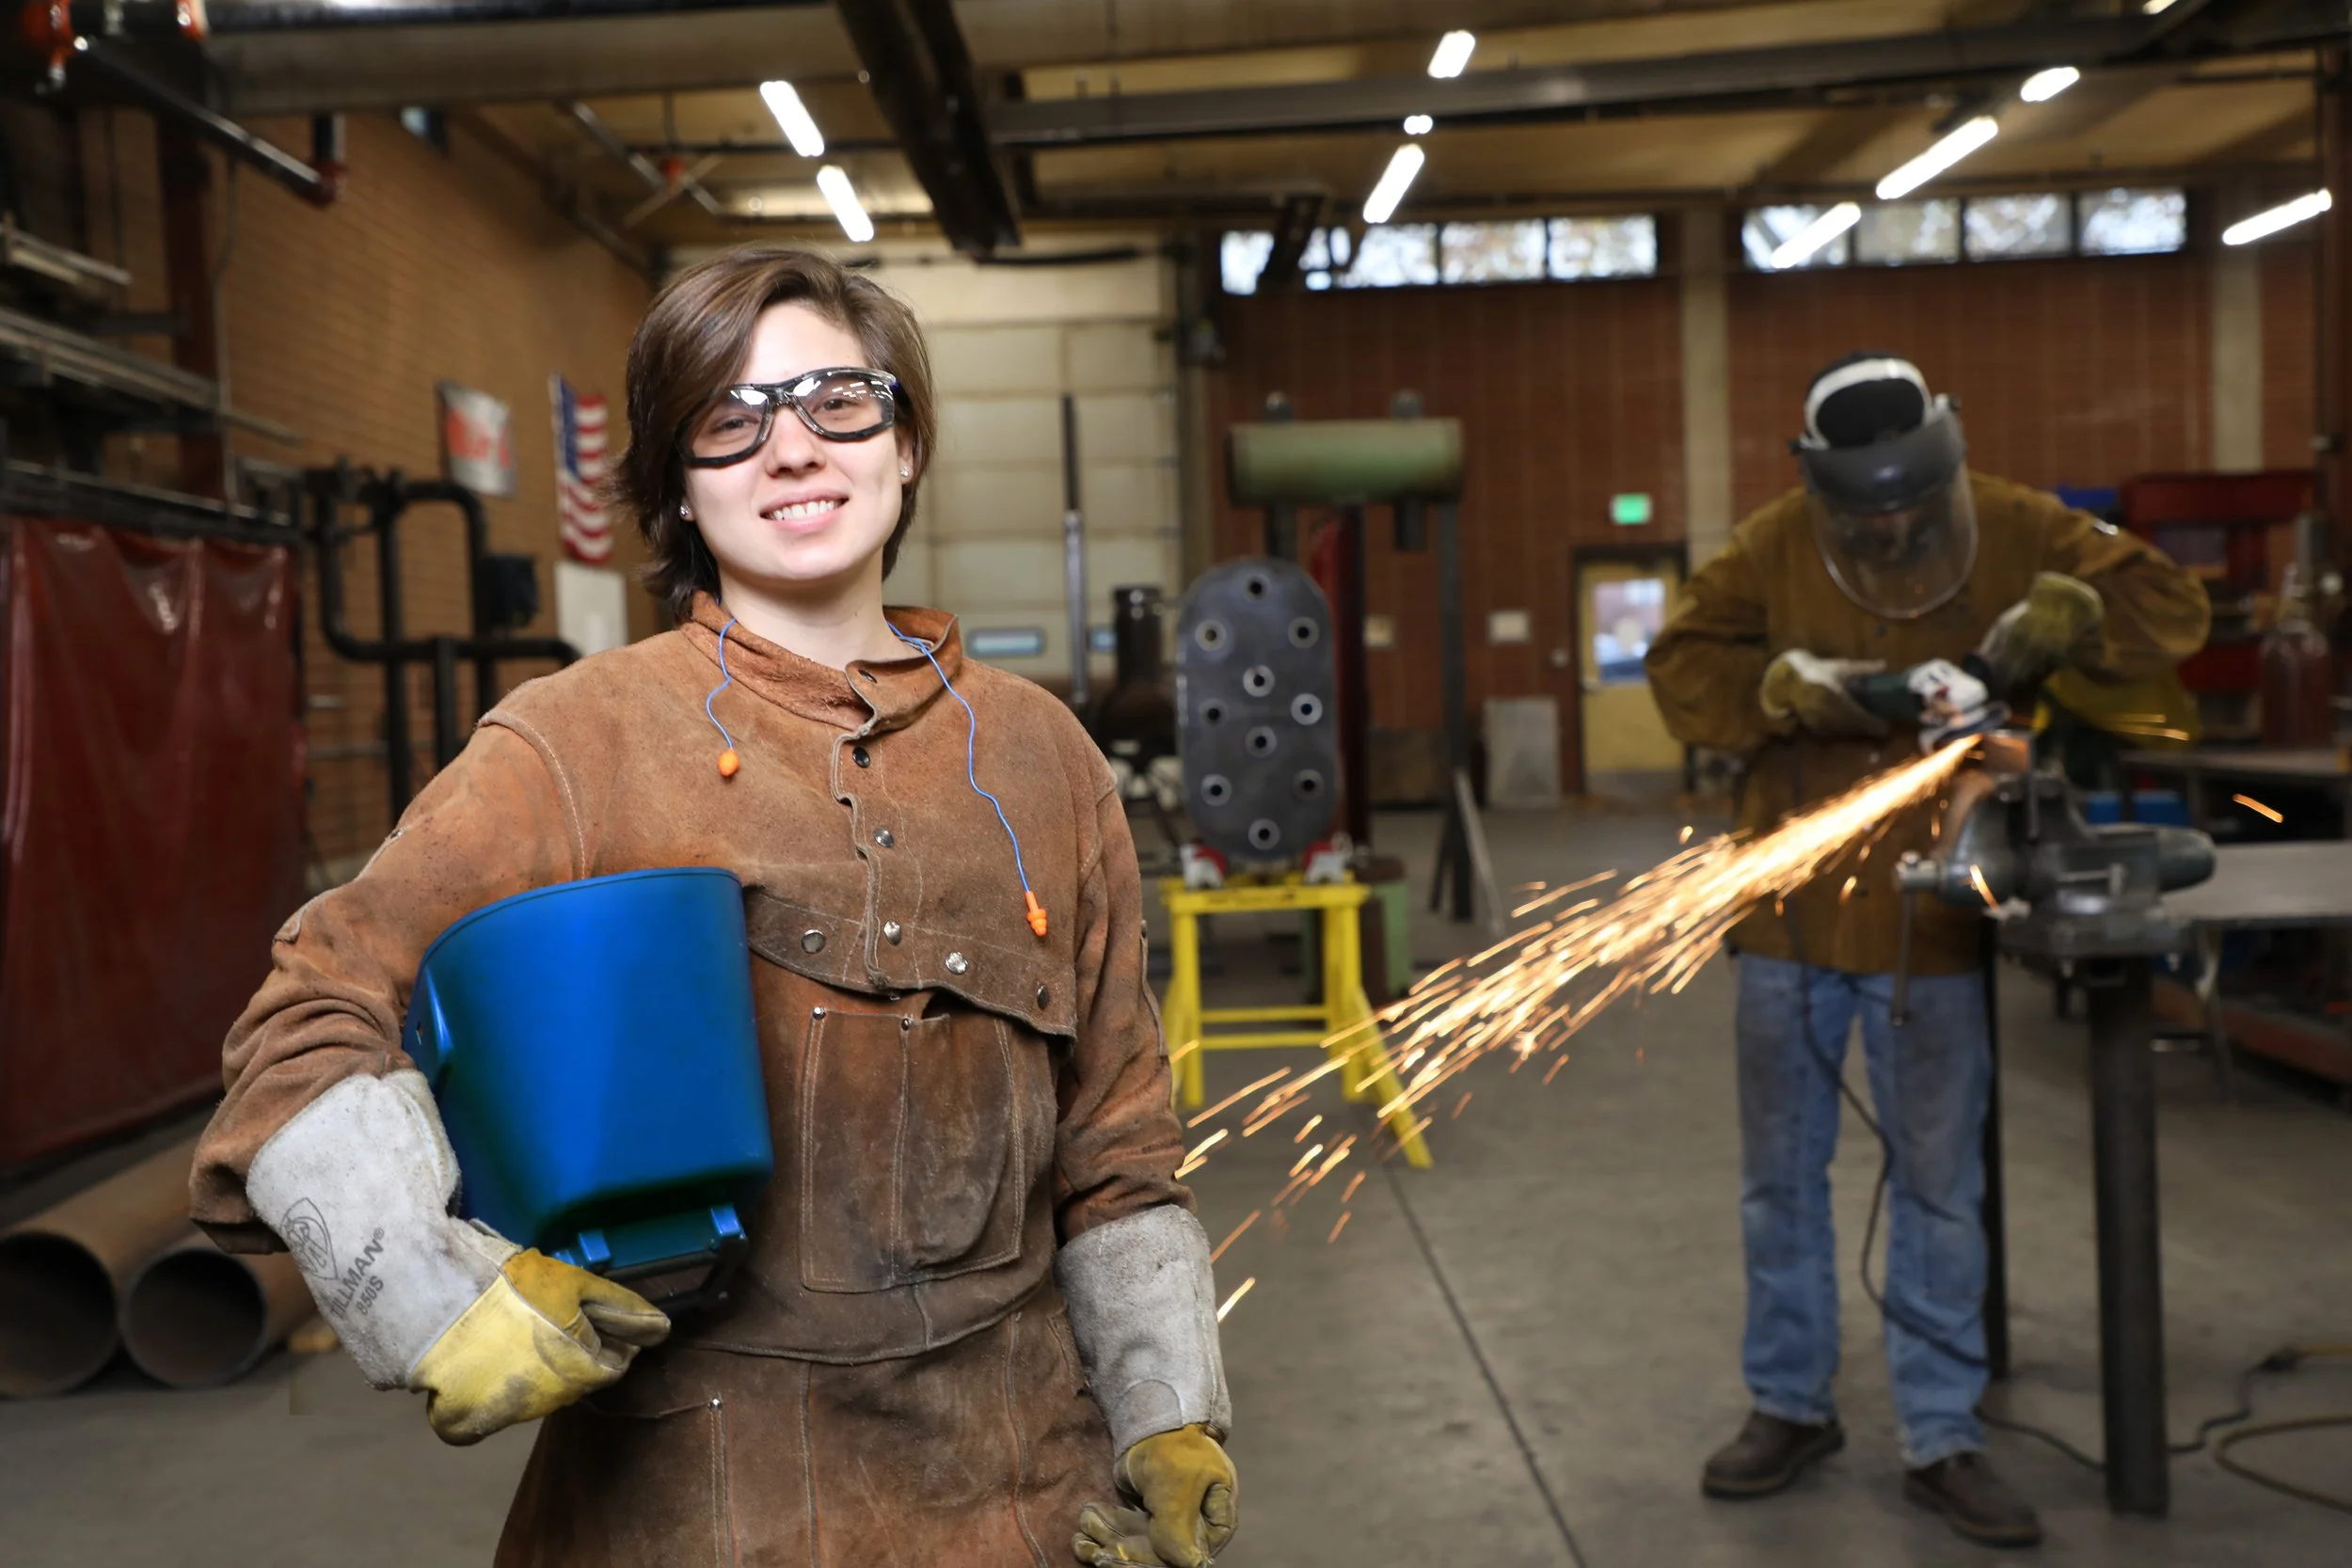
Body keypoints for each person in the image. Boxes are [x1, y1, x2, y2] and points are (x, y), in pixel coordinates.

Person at [189, 245, 1237, 1568]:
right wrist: (428, 1287)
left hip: (1024, 1490)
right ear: (677, 490)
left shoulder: (1043, 757)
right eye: (729, 421)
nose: (790, 448)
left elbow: (1118, 1138)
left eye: (837, 401)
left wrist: (1168, 1407)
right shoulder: (576, 741)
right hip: (696, 1501)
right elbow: (303, 1024)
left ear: (907, 443)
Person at [1644, 354, 2207, 1548]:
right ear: (1824, 490)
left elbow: (2175, 611)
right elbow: (1684, 672)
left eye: (1910, 507)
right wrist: (1792, 688)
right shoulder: (1769, 543)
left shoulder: (2012, 523)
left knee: (1940, 1187)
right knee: (1778, 1185)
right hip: (1792, 911)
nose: (1891, 527)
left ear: (1943, 468)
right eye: (1867, 513)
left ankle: (1941, 1430)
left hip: (1939, 921)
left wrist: (2073, 614)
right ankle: (1789, 1404)